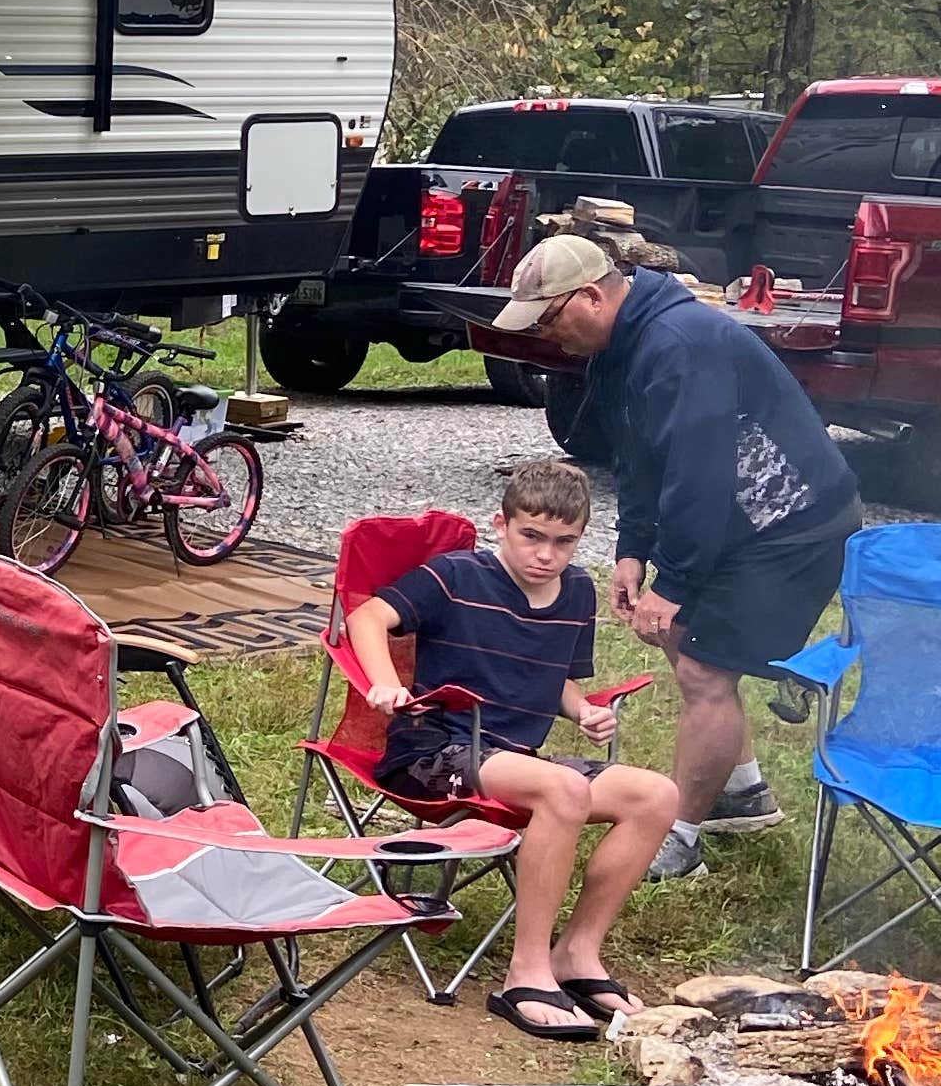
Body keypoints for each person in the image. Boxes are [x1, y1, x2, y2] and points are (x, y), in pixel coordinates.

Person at [490, 232, 857, 884]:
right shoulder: (618, 348)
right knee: (683, 639)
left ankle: (679, 837)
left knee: (703, 670)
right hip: (739, 523)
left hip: (794, 527)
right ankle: (742, 794)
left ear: (591, 296)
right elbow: (637, 459)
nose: (546, 335)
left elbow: (699, 474)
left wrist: (676, 581)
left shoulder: (680, 344)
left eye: (549, 318)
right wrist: (633, 549)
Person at [343, 453, 678, 1044]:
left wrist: (583, 710)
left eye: (563, 542)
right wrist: (386, 684)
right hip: (433, 751)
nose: (545, 554)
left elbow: (557, 680)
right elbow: (366, 618)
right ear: (501, 525)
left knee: (656, 795)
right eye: (531, 536)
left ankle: (576, 954)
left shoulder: (576, 592)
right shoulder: (456, 575)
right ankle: (525, 973)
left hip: (515, 759)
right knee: (563, 789)